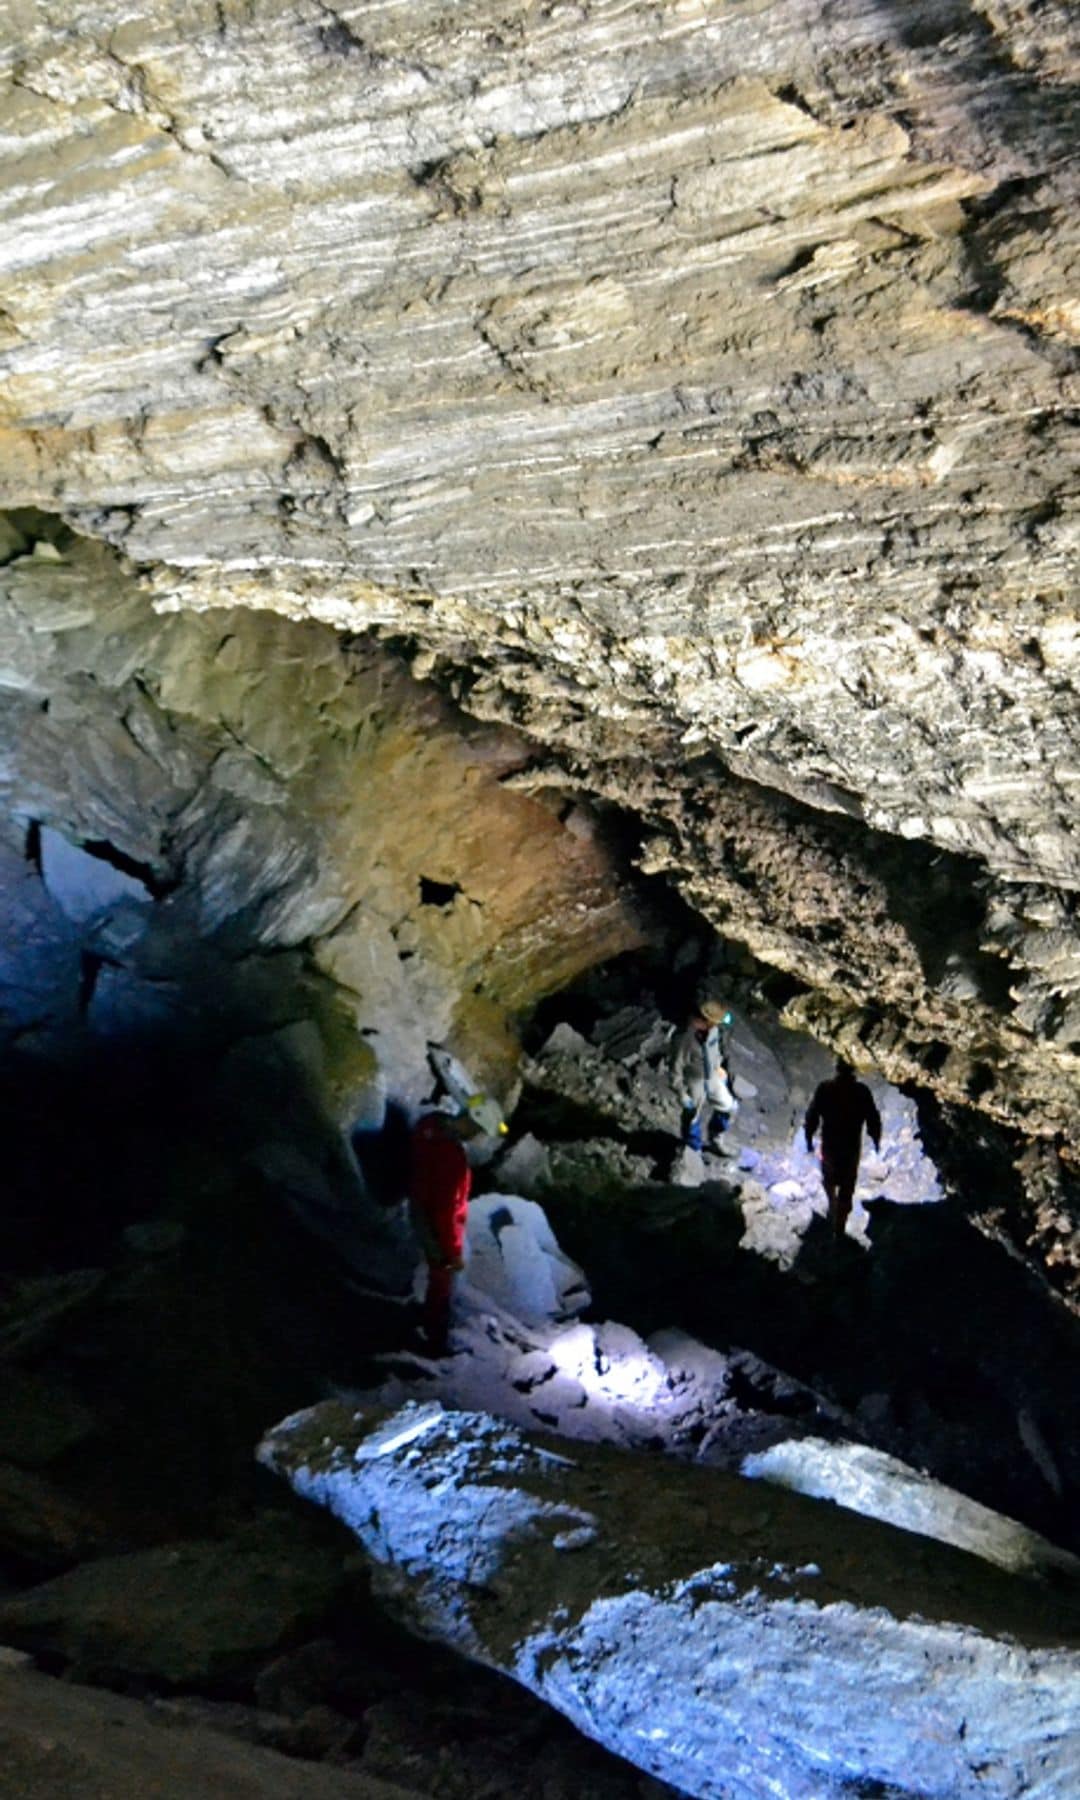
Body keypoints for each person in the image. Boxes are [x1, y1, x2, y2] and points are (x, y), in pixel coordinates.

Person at [408, 1102, 478, 1354]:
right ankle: (434, 1341)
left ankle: (424, 1321)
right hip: (432, 1219)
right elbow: (448, 1208)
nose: (476, 1136)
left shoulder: (429, 1125)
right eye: (477, 1129)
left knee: (431, 1274)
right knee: (441, 1279)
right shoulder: (452, 1155)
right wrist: (452, 1251)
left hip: (416, 1206)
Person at [804, 1059, 882, 1240]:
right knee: (847, 1185)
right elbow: (873, 1118)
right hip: (851, 1147)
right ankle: (839, 1227)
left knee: (830, 1178)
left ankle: (833, 1206)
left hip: (831, 1145)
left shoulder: (825, 1089)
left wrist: (809, 1137)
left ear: (837, 1069)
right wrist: (876, 1138)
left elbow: (812, 1115)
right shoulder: (861, 1091)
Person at [668, 1003, 738, 1151]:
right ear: (705, 1020)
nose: (716, 1025)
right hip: (694, 1082)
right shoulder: (683, 1039)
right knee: (692, 1118)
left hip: (712, 1078)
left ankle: (715, 1139)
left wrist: (718, 1066)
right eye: (714, 1022)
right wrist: (681, 1093)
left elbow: (715, 1050)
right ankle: (693, 1150)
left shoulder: (713, 1030)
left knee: (729, 1107)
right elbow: (675, 1069)